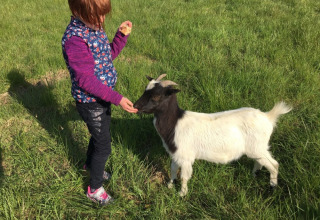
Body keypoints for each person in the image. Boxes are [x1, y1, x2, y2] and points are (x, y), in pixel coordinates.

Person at [61, 0, 138, 205]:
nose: (101, 20)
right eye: (96, 15)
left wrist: (120, 37)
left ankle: (89, 165)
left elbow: (106, 57)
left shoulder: (94, 28)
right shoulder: (75, 40)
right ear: (77, 11)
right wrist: (118, 98)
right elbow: (85, 80)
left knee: (99, 136)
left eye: (103, 14)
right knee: (104, 146)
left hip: (102, 97)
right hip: (90, 102)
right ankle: (94, 189)